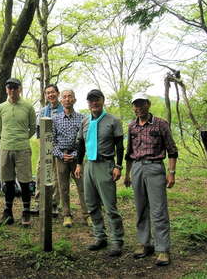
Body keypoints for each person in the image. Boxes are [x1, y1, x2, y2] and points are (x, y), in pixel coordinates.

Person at [124, 93, 178, 266]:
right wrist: (127, 174)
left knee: (158, 210)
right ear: (133, 107)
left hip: (155, 167)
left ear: (148, 104)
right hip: (137, 168)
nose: (138, 107)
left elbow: (172, 149)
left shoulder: (160, 124)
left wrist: (171, 172)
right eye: (135, 105)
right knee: (140, 208)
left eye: (141, 104)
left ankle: (162, 249)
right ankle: (144, 243)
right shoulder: (132, 125)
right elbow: (129, 152)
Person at [74, 89, 125, 257]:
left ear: (103, 101)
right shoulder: (85, 121)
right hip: (89, 165)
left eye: (97, 100)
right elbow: (80, 144)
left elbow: (119, 145)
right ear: (87, 103)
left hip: (105, 164)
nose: (94, 103)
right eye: (91, 100)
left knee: (110, 205)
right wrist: (79, 164)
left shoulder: (113, 120)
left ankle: (117, 240)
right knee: (91, 203)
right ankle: (99, 236)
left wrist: (118, 166)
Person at [0, 78, 36, 227]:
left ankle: (26, 211)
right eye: (9, 88)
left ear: (20, 89)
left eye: (15, 88)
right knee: (8, 181)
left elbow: (32, 128)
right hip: (5, 147)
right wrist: (8, 139)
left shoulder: (28, 107)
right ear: (6, 90)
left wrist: (21, 139)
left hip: (22, 148)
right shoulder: (1, 107)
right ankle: (8, 212)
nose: (12, 91)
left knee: (25, 181)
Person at [52, 90, 88, 228]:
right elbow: (52, 141)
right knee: (63, 187)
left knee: (82, 186)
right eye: (64, 97)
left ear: (74, 99)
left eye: (70, 97)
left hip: (77, 157)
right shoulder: (55, 119)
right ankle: (67, 215)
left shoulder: (82, 118)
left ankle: (87, 214)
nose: (67, 99)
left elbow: (84, 140)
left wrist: (74, 155)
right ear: (61, 100)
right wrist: (61, 155)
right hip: (61, 157)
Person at [32, 84, 63, 216]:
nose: (50, 95)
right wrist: (42, 145)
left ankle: (54, 204)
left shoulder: (64, 110)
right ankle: (39, 202)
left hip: (59, 147)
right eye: (47, 93)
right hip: (45, 148)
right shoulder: (43, 111)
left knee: (55, 175)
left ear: (58, 93)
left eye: (52, 92)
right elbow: (38, 131)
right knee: (40, 173)